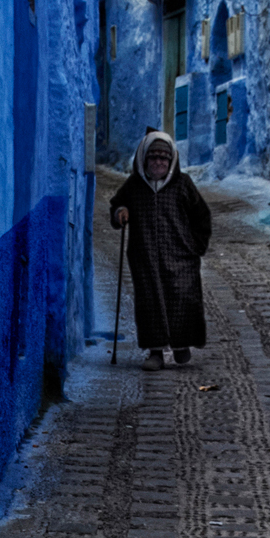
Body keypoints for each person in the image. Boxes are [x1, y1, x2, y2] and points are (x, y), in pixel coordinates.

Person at [110, 128, 212, 371]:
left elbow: (201, 216)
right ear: (144, 159)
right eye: (153, 157)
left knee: (182, 298)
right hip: (144, 256)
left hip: (181, 256)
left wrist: (195, 246)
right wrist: (121, 212)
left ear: (171, 160)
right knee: (150, 302)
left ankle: (181, 344)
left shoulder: (183, 184)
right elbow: (117, 204)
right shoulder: (134, 185)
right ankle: (155, 352)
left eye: (164, 158)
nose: (158, 162)